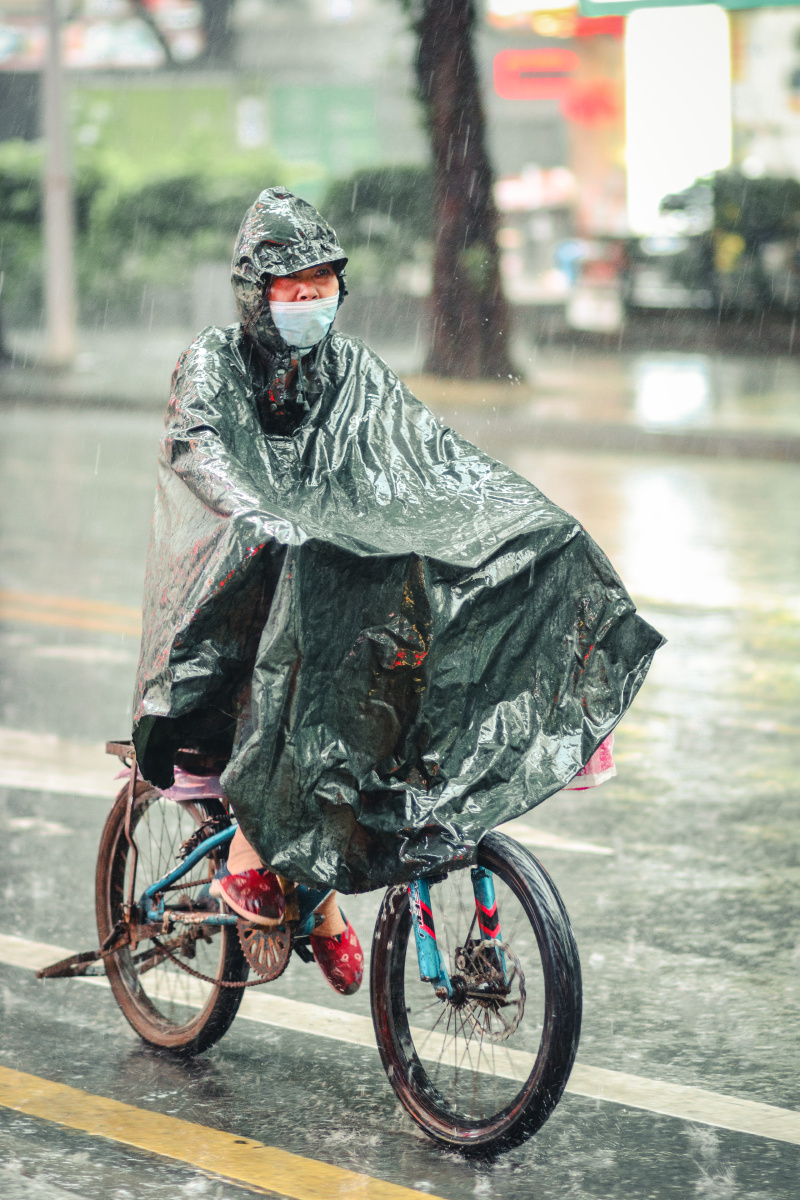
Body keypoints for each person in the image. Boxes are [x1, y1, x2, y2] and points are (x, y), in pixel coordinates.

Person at [133, 188, 662, 1001]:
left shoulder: (353, 371)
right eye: (291, 287)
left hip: (332, 570)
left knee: (416, 634)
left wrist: (520, 522)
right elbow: (201, 451)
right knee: (303, 643)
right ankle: (258, 856)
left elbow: (431, 459)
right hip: (240, 585)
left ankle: (315, 890)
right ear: (254, 292)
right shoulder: (212, 364)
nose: (309, 302)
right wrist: (264, 518)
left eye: (321, 286)